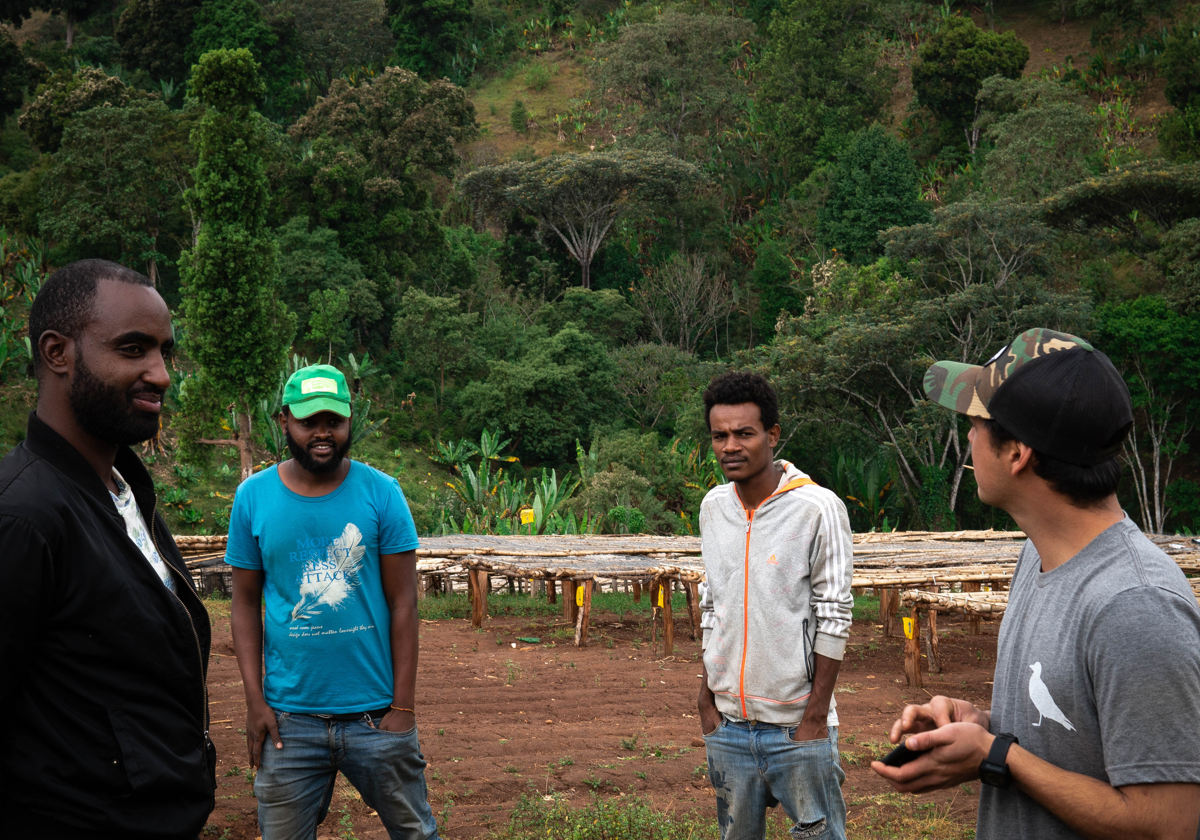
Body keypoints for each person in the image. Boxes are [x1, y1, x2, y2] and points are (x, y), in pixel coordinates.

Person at [872, 328, 1200, 839]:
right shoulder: (1038, 556)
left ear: (1018, 453)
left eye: (976, 424)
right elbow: (1070, 740)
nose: (969, 438)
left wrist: (996, 756)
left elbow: (1167, 823)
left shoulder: (1135, 605)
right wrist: (980, 726)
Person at [0, 259, 215, 839]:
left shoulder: (125, 493)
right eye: (133, 349)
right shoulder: (23, 516)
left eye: (164, 351)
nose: (162, 373)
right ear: (57, 353)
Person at [226, 364, 439, 840]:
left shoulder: (382, 493)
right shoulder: (253, 498)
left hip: (375, 717)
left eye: (334, 421)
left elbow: (404, 603)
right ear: (284, 422)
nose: (322, 433)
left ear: (348, 423)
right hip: (288, 723)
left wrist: (402, 708)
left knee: (416, 834)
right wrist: (254, 700)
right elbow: (243, 604)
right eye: (308, 422)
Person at [697, 371, 854, 840]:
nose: (730, 446)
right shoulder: (713, 508)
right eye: (719, 436)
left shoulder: (817, 508)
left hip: (795, 729)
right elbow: (713, 604)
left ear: (772, 435)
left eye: (744, 433)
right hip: (727, 727)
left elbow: (834, 613)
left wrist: (813, 718)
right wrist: (705, 697)